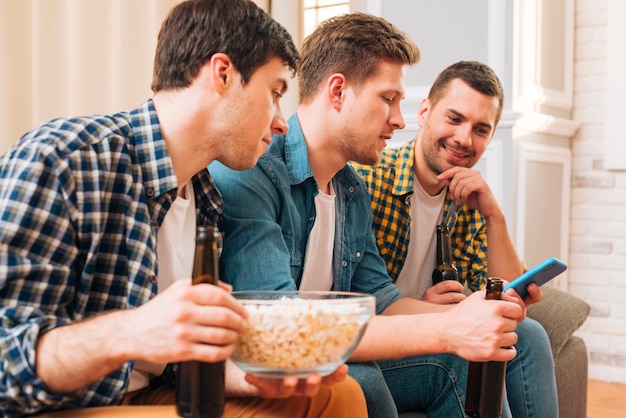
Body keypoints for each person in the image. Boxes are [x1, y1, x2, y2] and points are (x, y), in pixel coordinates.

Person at [0, 0, 368, 416]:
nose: (282, 121)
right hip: (62, 404)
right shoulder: (64, 159)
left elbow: (170, 362)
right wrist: (131, 331)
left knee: (338, 394)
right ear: (223, 74)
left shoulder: (205, 198)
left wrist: (240, 374)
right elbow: (5, 362)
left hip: (150, 392)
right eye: (275, 93)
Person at [210, 13, 524, 418]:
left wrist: (472, 312)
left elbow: (383, 300)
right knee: (367, 381)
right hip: (274, 365)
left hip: (330, 355)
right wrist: (448, 328)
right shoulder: (254, 172)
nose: (399, 118)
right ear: (338, 90)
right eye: (388, 99)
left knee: (468, 359)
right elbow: (279, 326)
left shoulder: (351, 190)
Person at [352, 60, 559, 417]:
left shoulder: (468, 199)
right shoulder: (369, 180)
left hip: (441, 329)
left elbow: (504, 294)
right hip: (385, 344)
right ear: (424, 111)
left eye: (481, 128)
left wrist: (495, 217)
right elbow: (358, 296)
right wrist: (428, 308)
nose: (464, 139)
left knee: (530, 336)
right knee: (457, 357)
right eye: (454, 119)